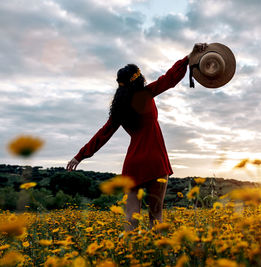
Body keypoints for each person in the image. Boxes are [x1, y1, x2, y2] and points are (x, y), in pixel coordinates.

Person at [66, 43, 208, 230]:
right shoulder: (146, 94)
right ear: (139, 79)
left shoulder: (119, 110)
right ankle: (157, 256)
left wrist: (80, 155)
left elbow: (103, 134)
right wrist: (189, 56)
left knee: (131, 218)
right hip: (156, 161)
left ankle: (129, 255)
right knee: (156, 215)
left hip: (133, 163)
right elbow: (170, 78)